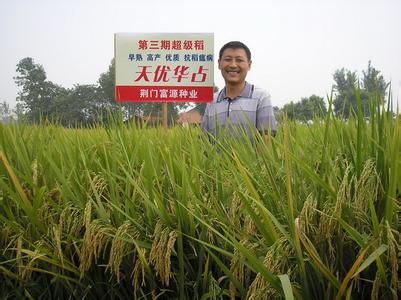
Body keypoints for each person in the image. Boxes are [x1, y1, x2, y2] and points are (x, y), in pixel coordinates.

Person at [201, 41, 277, 140]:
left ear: (249, 65)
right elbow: (204, 141)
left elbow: (267, 139)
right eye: (227, 59)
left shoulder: (261, 97)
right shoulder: (212, 101)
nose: (233, 65)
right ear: (219, 64)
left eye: (239, 60)